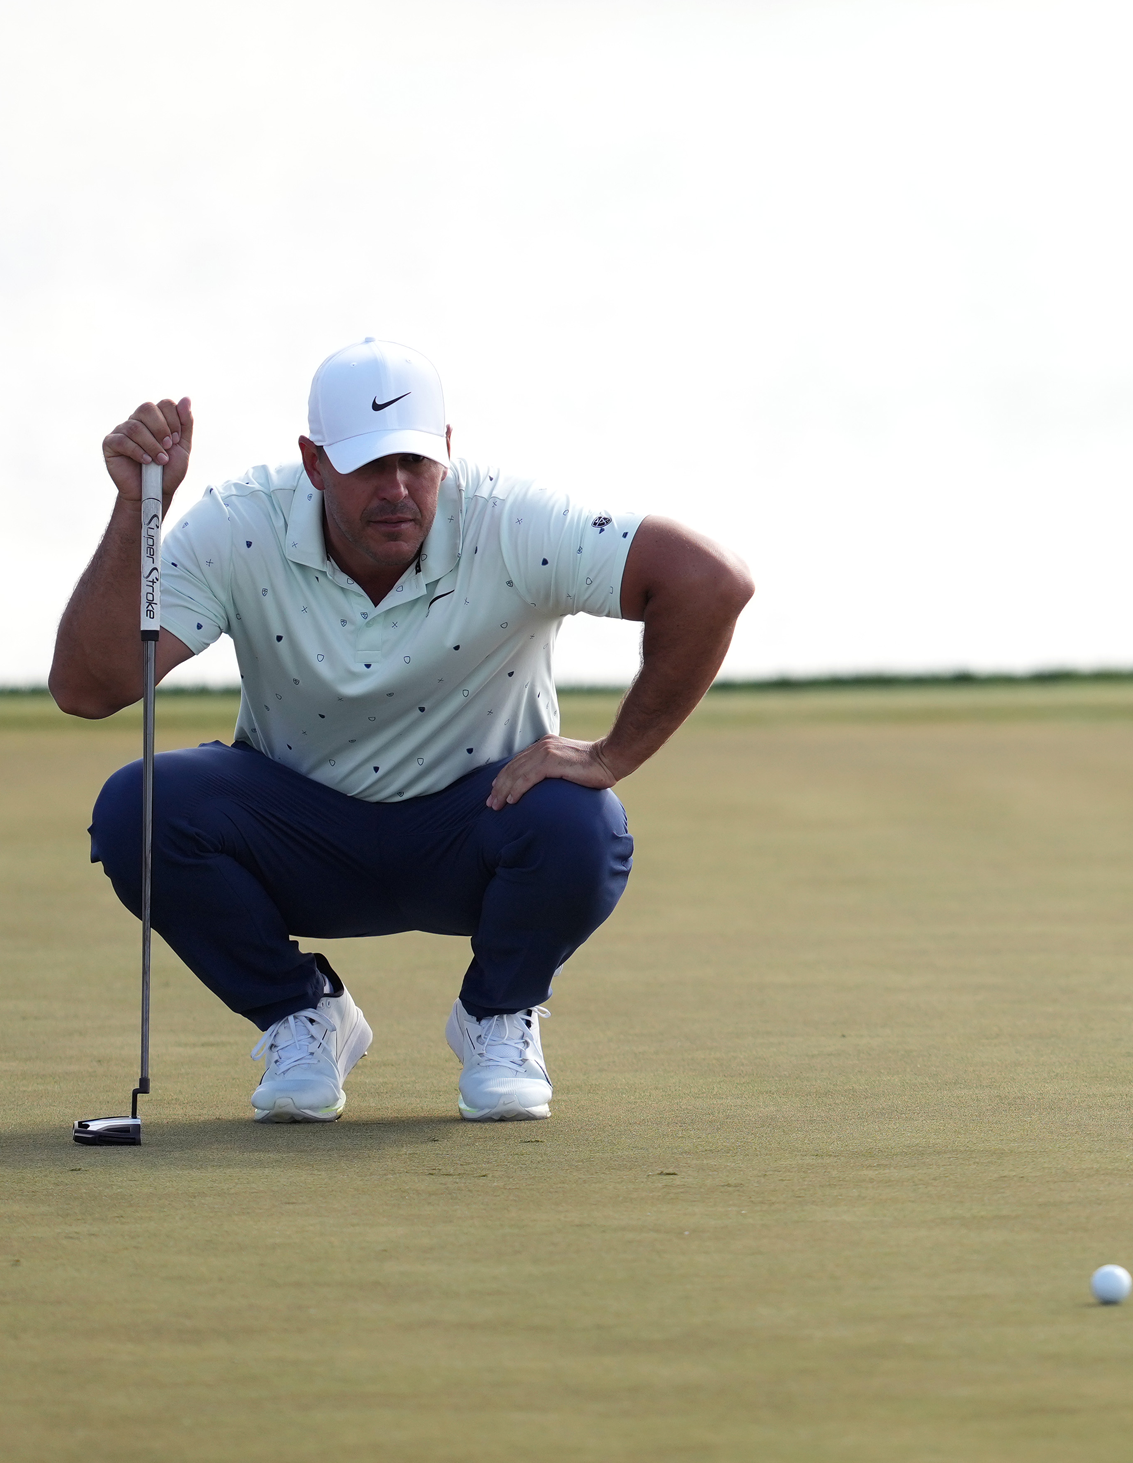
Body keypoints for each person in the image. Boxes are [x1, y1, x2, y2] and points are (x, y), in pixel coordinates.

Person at [49, 338, 753, 1123]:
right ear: (314, 463)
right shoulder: (240, 522)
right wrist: (137, 510)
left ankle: (497, 1016)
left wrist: (612, 754)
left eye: (415, 463)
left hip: (473, 833)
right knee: (137, 807)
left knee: (582, 819)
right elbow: (89, 686)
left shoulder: (508, 520)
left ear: (446, 452)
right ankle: (301, 1017)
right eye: (367, 466)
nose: (396, 490)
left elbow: (710, 582)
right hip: (298, 837)